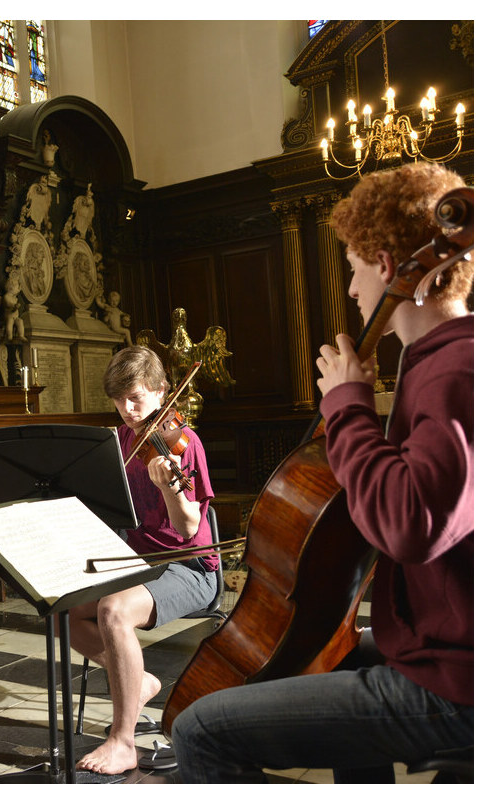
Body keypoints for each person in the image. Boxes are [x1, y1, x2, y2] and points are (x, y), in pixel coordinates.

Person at [170, 162, 473, 782]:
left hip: (458, 683)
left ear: (387, 265)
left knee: (200, 729)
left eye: (354, 266)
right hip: (434, 650)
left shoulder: (457, 370)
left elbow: (410, 524)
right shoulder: (441, 362)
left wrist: (348, 405)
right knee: (324, 665)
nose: (355, 289)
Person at [68, 345, 217, 775]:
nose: (128, 410)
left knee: (113, 611)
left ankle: (123, 741)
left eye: (135, 397)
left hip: (188, 566)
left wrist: (171, 487)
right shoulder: (120, 440)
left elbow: (188, 528)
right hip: (139, 563)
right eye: (118, 400)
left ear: (160, 391)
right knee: (66, 613)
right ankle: (142, 682)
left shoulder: (183, 444)